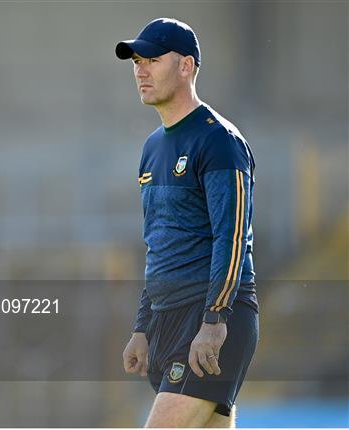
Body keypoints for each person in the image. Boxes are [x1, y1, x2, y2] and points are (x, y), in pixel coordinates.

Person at [117, 18, 259, 428]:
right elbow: (158, 242)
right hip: (167, 318)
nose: (141, 70)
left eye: (152, 60)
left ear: (186, 66)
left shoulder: (218, 140)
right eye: (137, 61)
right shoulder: (152, 147)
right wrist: (144, 326)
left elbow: (232, 238)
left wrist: (214, 321)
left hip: (210, 317)